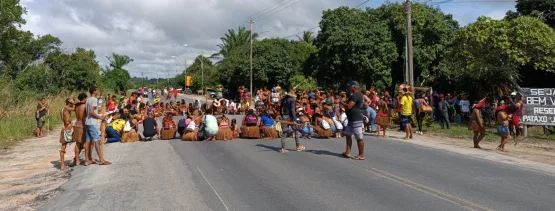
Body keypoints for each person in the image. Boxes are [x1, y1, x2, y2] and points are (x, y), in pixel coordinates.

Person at [84, 86, 111, 166]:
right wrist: (99, 117)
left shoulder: (88, 100)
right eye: (97, 90)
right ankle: (101, 159)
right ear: (94, 91)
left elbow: (89, 111)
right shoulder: (94, 100)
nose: (98, 91)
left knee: (88, 141)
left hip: (87, 122)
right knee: (96, 140)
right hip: (92, 123)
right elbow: (91, 112)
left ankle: (87, 159)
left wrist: (98, 111)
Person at [341, 81, 365, 160]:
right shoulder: (354, 95)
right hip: (351, 119)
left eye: (350, 87)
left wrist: (342, 103)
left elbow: (349, 106)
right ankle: (347, 152)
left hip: (356, 119)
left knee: (358, 137)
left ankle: (361, 155)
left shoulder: (356, 95)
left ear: (354, 88)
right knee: (348, 135)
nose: (349, 88)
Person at [279, 87, 305, 153]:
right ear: (291, 92)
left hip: (284, 116)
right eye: (293, 91)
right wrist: (294, 119)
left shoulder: (283, 99)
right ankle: (298, 146)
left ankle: (283, 148)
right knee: (296, 131)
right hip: (290, 117)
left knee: (284, 133)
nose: (294, 92)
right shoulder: (292, 99)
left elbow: (280, 107)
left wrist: (281, 115)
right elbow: (292, 110)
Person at [59, 98, 75, 169]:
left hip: (66, 127)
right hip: (68, 128)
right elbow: (76, 108)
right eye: (72, 100)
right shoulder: (67, 108)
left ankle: (62, 164)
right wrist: (73, 102)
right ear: (69, 101)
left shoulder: (63, 108)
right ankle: (64, 164)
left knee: (63, 146)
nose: (73, 101)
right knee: (79, 141)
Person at [72, 93, 87, 166]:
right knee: (81, 143)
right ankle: (77, 160)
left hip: (76, 123)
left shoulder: (76, 106)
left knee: (78, 143)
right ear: (84, 98)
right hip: (82, 124)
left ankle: (76, 159)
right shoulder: (84, 106)